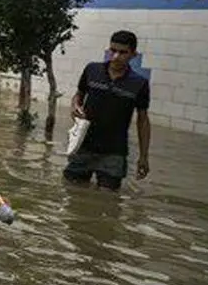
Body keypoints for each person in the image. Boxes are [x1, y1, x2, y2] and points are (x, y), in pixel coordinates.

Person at [63, 30, 151, 190]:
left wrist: (143, 156)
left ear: (133, 54)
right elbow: (79, 95)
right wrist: (75, 106)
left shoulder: (139, 83)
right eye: (113, 50)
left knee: (108, 200)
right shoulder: (92, 70)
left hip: (114, 152)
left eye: (123, 52)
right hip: (83, 145)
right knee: (72, 192)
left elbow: (143, 120)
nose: (116, 56)